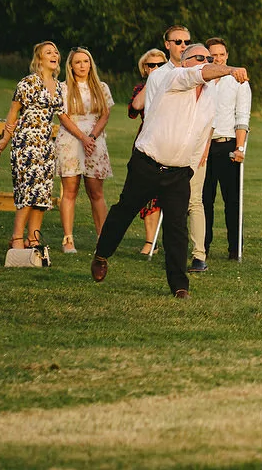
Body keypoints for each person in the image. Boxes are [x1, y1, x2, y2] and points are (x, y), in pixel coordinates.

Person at [91, 34, 247, 297]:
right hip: (147, 162)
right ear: (185, 62)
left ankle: (179, 285)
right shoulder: (174, 78)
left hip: (178, 171)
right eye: (200, 57)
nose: (206, 62)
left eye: (209, 58)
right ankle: (102, 254)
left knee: (176, 229)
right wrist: (231, 70)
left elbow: (203, 132)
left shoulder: (210, 95)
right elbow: (199, 73)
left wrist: (190, 167)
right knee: (124, 211)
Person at [0, 41, 97, 253]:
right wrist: (5, 139)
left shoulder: (58, 87)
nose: (54, 55)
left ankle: (33, 239)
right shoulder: (27, 83)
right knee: (28, 191)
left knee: (42, 194)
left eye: (56, 52)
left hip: (46, 146)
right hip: (26, 143)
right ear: (39, 59)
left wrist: (84, 136)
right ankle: (16, 237)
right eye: (48, 52)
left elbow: (63, 116)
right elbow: (13, 112)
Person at [191, 36, 251, 269]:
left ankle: (235, 248)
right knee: (203, 199)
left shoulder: (238, 81)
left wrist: (240, 148)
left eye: (221, 55)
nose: (218, 59)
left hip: (227, 144)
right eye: (213, 55)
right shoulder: (201, 80)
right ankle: (202, 247)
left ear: (227, 56)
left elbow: (242, 116)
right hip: (202, 146)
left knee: (232, 200)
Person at [54, 47, 113, 254]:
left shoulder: (101, 87)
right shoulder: (63, 88)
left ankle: (102, 239)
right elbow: (62, 116)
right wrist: (82, 137)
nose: (82, 65)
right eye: (77, 62)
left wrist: (92, 137)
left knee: (96, 192)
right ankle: (68, 239)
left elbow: (105, 114)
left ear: (91, 64)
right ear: (71, 66)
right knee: (70, 191)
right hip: (71, 140)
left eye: (85, 61)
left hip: (95, 141)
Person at [128, 47, 168, 254]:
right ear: (144, 68)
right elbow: (135, 106)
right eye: (151, 65)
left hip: (170, 141)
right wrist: (152, 81)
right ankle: (150, 241)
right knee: (147, 192)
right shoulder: (141, 88)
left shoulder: (174, 85)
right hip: (147, 141)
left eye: (160, 65)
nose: (156, 68)